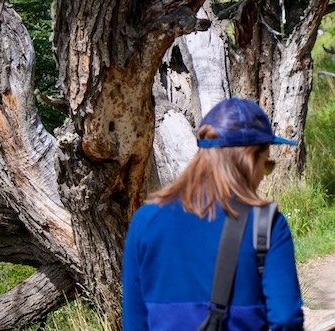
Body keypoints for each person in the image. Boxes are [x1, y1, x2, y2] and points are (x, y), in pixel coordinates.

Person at [122, 98, 304, 330]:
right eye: (266, 164)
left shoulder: (145, 220)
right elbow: (286, 318)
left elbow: (134, 321)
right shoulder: (266, 224)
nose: (262, 176)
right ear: (248, 160)